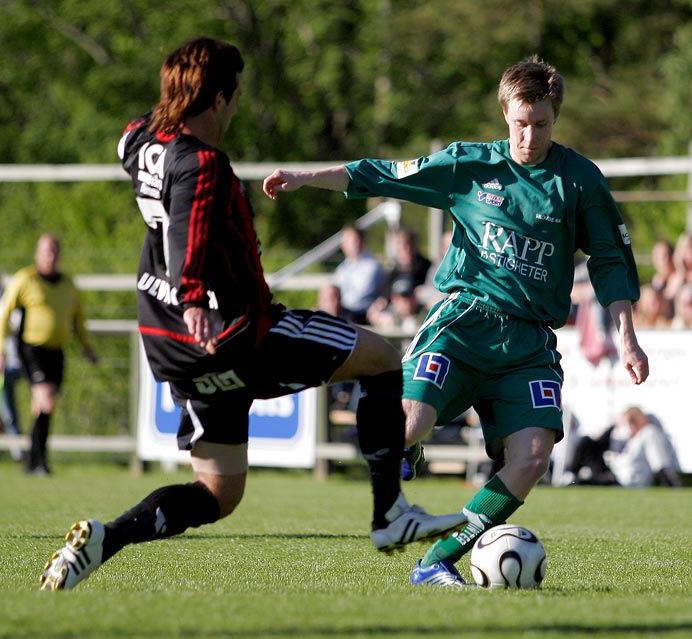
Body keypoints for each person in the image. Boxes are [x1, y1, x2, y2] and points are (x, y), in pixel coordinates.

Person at [38, 37, 464, 592]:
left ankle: (105, 539)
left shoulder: (145, 142)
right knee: (384, 359)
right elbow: (188, 232)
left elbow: (131, 136)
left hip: (173, 347)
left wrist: (170, 101)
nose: (236, 105)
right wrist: (193, 295)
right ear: (216, 99)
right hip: (240, 330)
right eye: (234, 94)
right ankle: (391, 515)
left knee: (218, 494)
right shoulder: (204, 163)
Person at [263, 55, 649, 587]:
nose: (529, 136)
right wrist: (308, 178)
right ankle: (411, 446)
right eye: (520, 123)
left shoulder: (579, 181)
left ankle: (437, 559)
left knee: (534, 456)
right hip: (464, 322)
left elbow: (609, 260)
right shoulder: (472, 166)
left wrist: (627, 337)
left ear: (554, 119)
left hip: (530, 342)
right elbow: (386, 176)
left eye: (541, 125)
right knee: (407, 426)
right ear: (504, 115)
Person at [0, 235, 98, 474]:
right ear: (37, 254)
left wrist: (87, 349)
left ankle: (33, 460)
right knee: (45, 401)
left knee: (44, 407)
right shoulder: (25, 280)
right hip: (31, 350)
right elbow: (4, 317)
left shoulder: (68, 284)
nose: (50, 257)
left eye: (54, 252)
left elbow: (78, 320)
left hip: (56, 351)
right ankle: (39, 461)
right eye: (46, 251)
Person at [565, 407, 681, 487]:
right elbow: (600, 442)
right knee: (587, 442)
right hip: (616, 473)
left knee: (584, 482)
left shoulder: (649, 433)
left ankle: (573, 477)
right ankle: (572, 475)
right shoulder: (632, 438)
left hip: (625, 480)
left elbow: (659, 462)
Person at [0, 266, 24, 459]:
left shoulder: (6, 299)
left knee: (6, 408)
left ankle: (18, 451)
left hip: (5, 362)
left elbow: (15, 322)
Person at [330, 224, 386, 324]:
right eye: (347, 241)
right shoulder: (342, 269)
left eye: (354, 240)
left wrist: (335, 304)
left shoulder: (372, 266)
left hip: (361, 315)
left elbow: (358, 299)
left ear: (362, 241)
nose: (352, 244)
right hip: (345, 312)